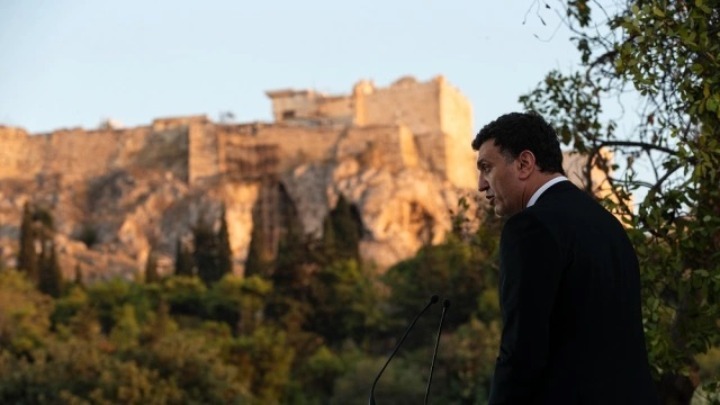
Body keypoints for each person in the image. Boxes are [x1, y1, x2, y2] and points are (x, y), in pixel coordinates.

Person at [472, 112, 658, 404]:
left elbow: (522, 350)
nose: (481, 185)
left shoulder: (530, 228)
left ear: (524, 164)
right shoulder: (609, 226)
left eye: (487, 168)